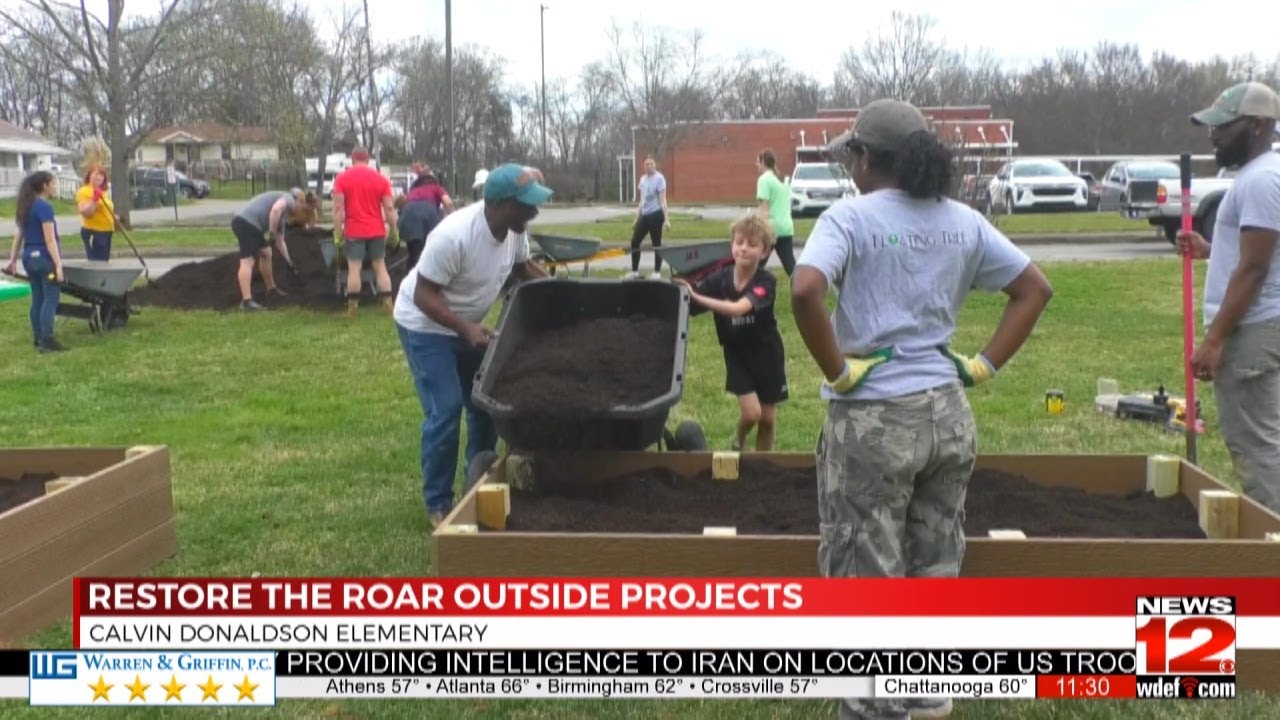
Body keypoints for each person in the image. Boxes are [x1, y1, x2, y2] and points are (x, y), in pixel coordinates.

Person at [789, 99, 1052, 720]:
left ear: (865, 158)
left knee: (865, 562)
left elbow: (804, 290)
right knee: (935, 556)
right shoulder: (962, 220)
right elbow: (1034, 289)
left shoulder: (847, 217)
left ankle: (871, 707)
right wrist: (983, 364)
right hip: (948, 415)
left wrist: (837, 370)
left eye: (852, 154)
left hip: (875, 418)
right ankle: (927, 697)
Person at [393, 163, 552, 524]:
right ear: (496, 204)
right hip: (425, 325)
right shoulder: (455, 236)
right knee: (445, 409)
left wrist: (566, 292)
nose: (534, 211)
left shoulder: (514, 230)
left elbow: (522, 268)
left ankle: (479, 481)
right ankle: (438, 502)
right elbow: (423, 295)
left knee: (485, 402)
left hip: (467, 325)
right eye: (527, 204)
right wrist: (465, 327)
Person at [1178, 81, 1280, 514]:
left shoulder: (1261, 179)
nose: (1213, 136)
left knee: (1257, 448)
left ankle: (1270, 549)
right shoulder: (1262, 175)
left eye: (1223, 126)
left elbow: (1254, 268)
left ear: (1257, 125)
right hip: (1261, 322)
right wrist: (1209, 249)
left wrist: (1215, 340)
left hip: (1249, 330)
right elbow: (1259, 252)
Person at [676, 213, 788, 451]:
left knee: (767, 420)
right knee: (752, 414)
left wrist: (698, 296)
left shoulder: (766, 281)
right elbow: (690, 305)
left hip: (767, 352)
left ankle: (760, 467)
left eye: (752, 244)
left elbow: (738, 309)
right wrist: (683, 290)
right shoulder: (718, 281)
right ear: (732, 245)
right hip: (737, 354)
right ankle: (739, 440)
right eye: (739, 242)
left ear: (765, 252)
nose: (744, 248)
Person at [4, 171, 68, 353]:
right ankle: (47, 340)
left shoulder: (26, 206)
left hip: (29, 257)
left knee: (37, 297)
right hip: (43, 257)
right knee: (50, 298)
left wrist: (12, 259)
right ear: (45, 186)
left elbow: (18, 236)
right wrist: (58, 265)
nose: (54, 186)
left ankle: (38, 337)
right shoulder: (44, 208)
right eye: (52, 183)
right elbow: (50, 240)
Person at [332, 147, 399, 317]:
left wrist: (338, 232)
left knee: (354, 268)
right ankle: (388, 307)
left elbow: (338, 208)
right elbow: (389, 208)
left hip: (354, 230)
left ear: (352, 159)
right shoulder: (381, 179)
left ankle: (352, 310)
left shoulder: (341, 179)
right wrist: (394, 231)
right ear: (368, 160)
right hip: (376, 230)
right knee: (380, 267)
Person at [231, 188, 313, 311]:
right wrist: (272, 231)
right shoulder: (289, 198)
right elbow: (275, 209)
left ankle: (271, 289)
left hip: (247, 223)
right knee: (247, 261)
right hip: (245, 222)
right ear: (299, 201)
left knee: (266, 253)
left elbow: (280, 242)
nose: (299, 210)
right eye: (301, 205)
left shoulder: (282, 217)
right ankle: (246, 301)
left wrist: (289, 262)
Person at [755, 148, 797, 276]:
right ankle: (804, 291)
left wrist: (758, 231)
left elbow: (764, 209)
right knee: (790, 266)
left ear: (763, 162)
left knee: (756, 265)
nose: (756, 164)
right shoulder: (779, 181)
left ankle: (747, 292)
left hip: (771, 230)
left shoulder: (764, 180)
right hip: (786, 228)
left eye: (757, 161)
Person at [627, 157, 669, 279]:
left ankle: (657, 272)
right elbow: (641, 201)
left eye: (651, 163)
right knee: (635, 242)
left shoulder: (660, 178)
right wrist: (636, 218)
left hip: (656, 214)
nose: (649, 165)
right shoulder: (642, 179)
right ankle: (634, 271)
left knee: (656, 244)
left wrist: (666, 219)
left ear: (655, 165)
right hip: (645, 215)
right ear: (644, 166)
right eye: (646, 164)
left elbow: (663, 200)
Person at [399, 174, 444, 268]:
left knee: (413, 251)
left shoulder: (413, 190)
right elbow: (448, 202)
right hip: (428, 214)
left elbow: (401, 201)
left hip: (408, 213)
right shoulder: (436, 188)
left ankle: (411, 275)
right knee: (429, 247)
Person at [76, 164, 115, 261]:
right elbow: (86, 213)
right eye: (96, 174)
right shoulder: (84, 191)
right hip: (94, 231)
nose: (99, 177)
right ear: (89, 175)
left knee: (104, 262)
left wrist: (116, 218)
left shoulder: (103, 192)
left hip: (106, 231)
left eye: (102, 175)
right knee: (97, 263)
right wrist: (94, 200)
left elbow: (105, 211)